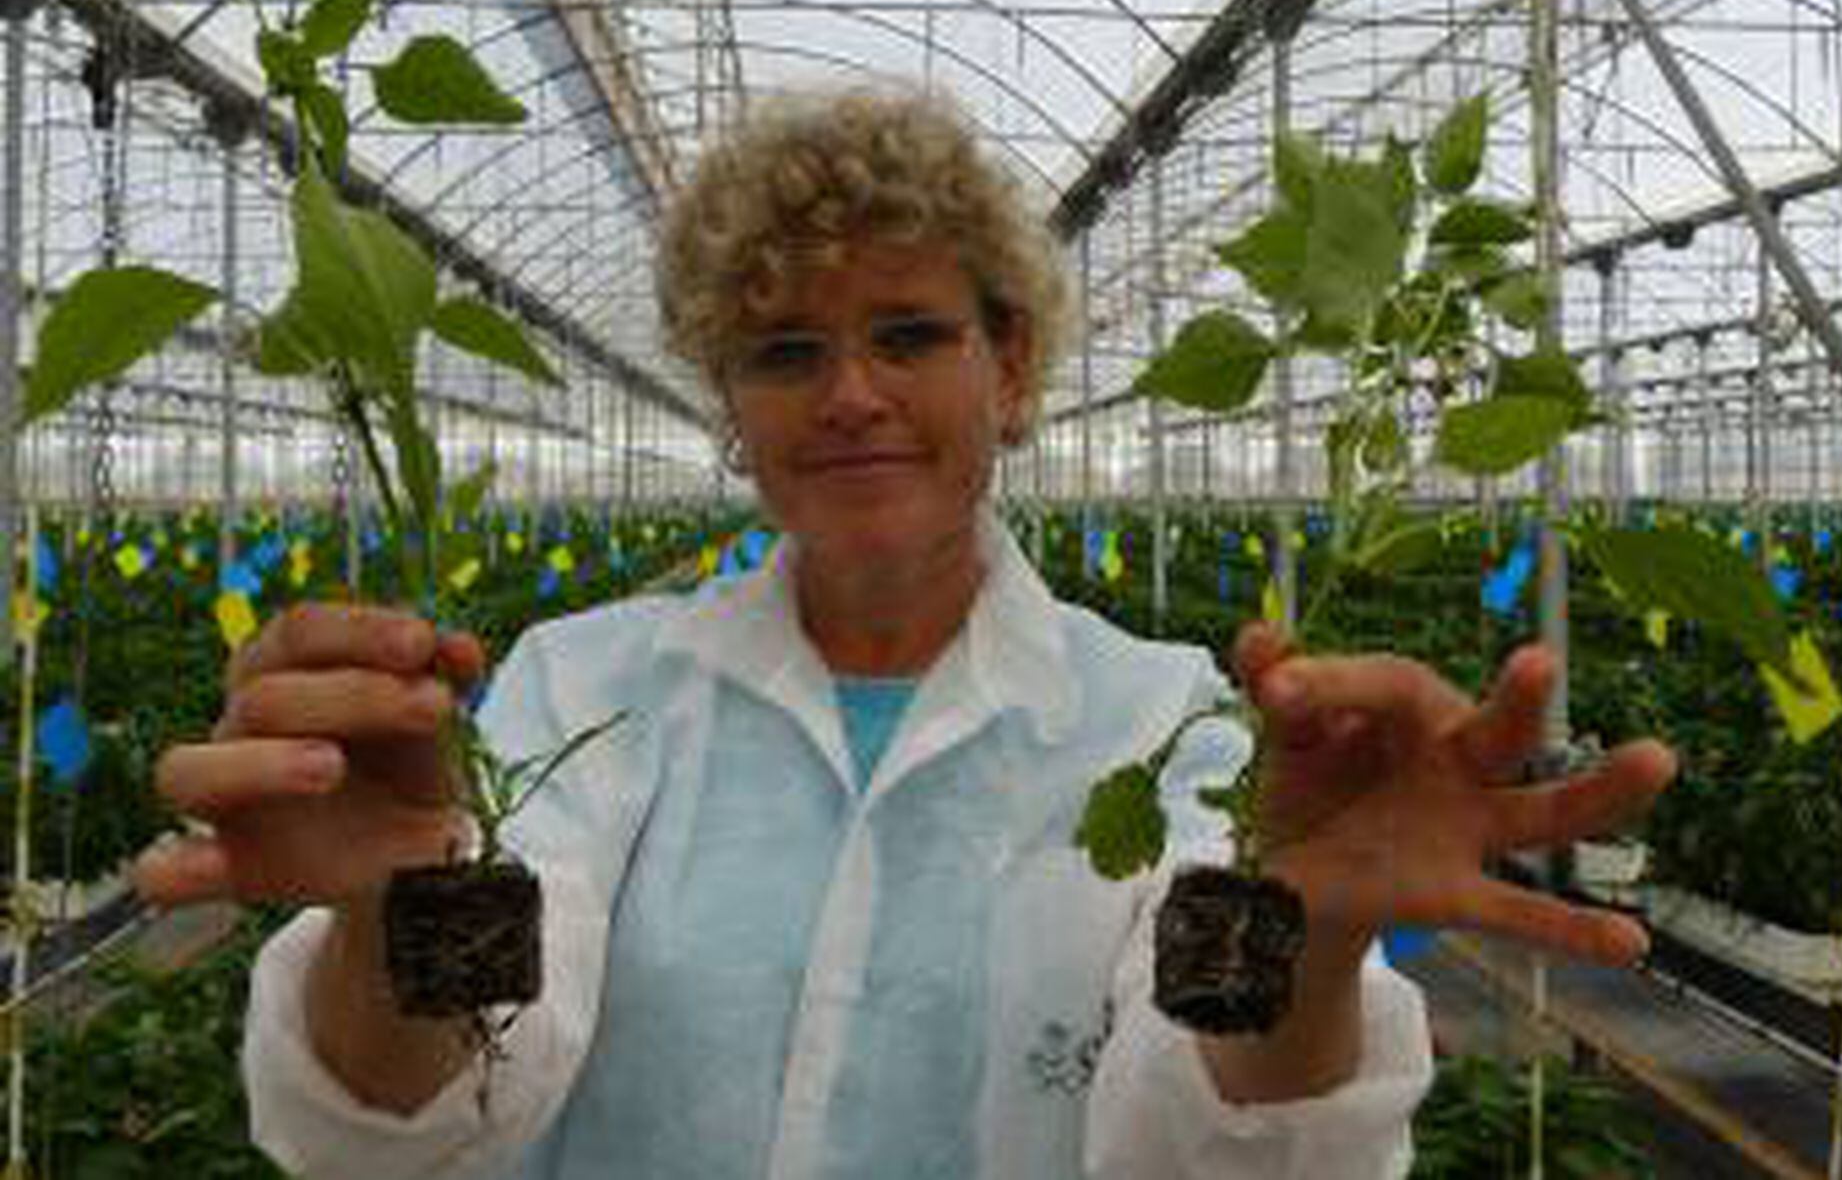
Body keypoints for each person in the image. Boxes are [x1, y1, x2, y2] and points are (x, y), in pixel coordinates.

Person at [134, 87, 1676, 1180]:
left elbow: (1197, 1138)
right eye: (786, 350)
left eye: (910, 333)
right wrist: (402, 928)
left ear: (1011, 366)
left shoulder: (1167, 732)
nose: (852, 391)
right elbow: (437, 1105)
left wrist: (1312, 945)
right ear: (730, 410)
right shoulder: (583, 690)